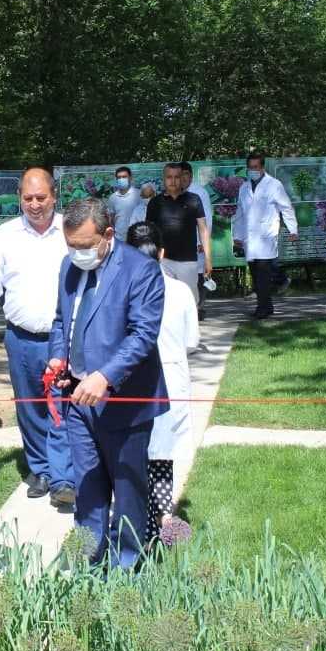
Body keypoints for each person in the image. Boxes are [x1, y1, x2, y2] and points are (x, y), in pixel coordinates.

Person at [47, 198, 166, 569]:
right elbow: (60, 320)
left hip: (124, 402)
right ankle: (86, 560)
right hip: (78, 399)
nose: (77, 253)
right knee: (87, 487)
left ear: (108, 234)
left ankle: (126, 568)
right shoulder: (69, 266)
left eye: (84, 246)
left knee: (128, 492)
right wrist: (58, 356)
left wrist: (105, 376)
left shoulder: (141, 270)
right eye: (71, 245)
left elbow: (142, 335)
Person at [0, 166, 75, 508]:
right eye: (28, 197)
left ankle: (65, 476)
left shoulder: (71, 230)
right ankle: (41, 470)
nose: (34, 204)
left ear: (54, 196)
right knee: (30, 406)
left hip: (65, 338)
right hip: (21, 338)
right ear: (19, 197)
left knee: (63, 407)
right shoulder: (5, 235)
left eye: (41, 197)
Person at [125, 222, 197, 543]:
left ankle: (144, 525)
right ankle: (163, 518)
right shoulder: (180, 290)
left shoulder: (120, 290)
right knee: (162, 456)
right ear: (163, 252)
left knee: (136, 456)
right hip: (172, 380)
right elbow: (191, 341)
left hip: (134, 385)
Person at [233, 153, 298, 319]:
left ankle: (261, 309)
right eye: (250, 167)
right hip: (249, 238)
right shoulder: (244, 188)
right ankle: (268, 306)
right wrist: (237, 235)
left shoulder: (274, 185)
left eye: (256, 167)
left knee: (262, 274)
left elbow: (286, 208)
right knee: (256, 274)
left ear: (262, 168)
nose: (252, 170)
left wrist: (293, 229)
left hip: (266, 236)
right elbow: (240, 213)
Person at [145, 162, 211, 309]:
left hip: (188, 262)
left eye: (177, 177)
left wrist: (208, 258)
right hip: (164, 262)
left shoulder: (194, 199)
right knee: (167, 304)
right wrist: (152, 258)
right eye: (169, 177)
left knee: (190, 303)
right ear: (163, 178)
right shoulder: (155, 203)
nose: (173, 181)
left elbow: (203, 229)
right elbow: (149, 232)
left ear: (183, 178)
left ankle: (191, 331)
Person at [180, 162, 214, 319]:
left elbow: (206, 218)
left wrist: (202, 241)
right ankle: (186, 308)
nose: (183, 178)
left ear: (191, 175)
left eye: (186, 174)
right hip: (180, 242)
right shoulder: (174, 192)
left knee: (199, 274)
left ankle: (199, 307)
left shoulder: (199, 193)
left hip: (197, 242)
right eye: (180, 174)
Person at [107, 166, 143, 241]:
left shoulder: (139, 194)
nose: (121, 179)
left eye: (124, 177)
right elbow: (111, 218)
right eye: (119, 177)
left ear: (130, 178)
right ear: (116, 179)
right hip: (119, 238)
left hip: (137, 237)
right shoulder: (113, 198)